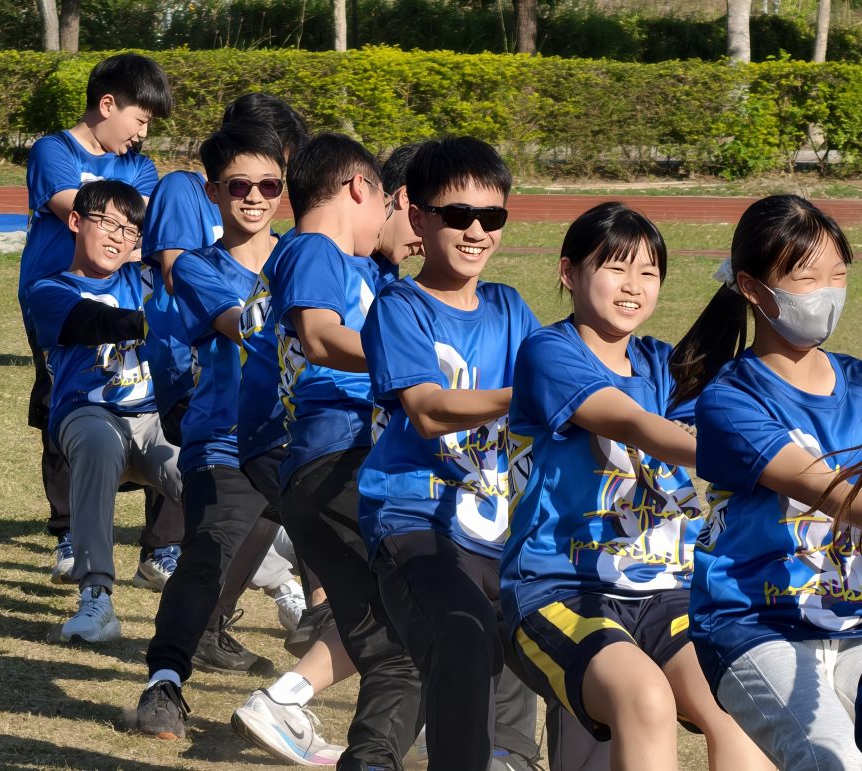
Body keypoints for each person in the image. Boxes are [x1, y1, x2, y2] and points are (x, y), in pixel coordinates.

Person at [500, 202, 770, 771]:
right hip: (560, 588)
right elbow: (631, 423)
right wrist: (754, 459)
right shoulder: (548, 352)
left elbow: (738, 408)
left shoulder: (661, 365)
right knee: (645, 697)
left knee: (742, 696)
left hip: (669, 590)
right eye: (616, 268)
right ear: (569, 272)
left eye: (648, 272)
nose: (633, 286)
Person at [230, 142, 424, 768]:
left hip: (329, 459)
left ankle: (293, 704)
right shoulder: (315, 248)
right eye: (392, 205)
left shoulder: (352, 265)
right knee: (415, 616)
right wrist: (425, 367)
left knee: (394, 631)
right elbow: (317, 337)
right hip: (336, 457)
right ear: (362, 189)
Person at [357, 136, 542, 771]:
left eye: (491, 216)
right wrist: (528, 395)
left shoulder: (511, 307)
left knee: (543, 639)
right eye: (458, 214)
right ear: (418, 216)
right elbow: (429, 410)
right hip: (415, 520)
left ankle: (511, 759)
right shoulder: (398, 307)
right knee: (463, 639)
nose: (476, 231)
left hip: (500, 528)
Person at [674, 194, 862, 769]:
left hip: (852, 621)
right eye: (807, 278)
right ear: (752, 288)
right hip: (755, 625)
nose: (827, 292)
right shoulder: (730, 400)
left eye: (838, 275)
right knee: (832, 759)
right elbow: (834, 494)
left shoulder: (858, 381)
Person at [141, 93, 311, 668]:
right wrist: (312, 322)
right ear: (213, 192)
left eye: (269, 186)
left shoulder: (300, 255)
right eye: (239, 186)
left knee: (321, 524)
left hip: (290, 435)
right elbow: (239, 324)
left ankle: (236, 631)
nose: (255, 197)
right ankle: (165, 676)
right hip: (224, 436)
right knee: (209, 552)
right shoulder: (196, 265)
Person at [17, 53, 180, 588]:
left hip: (129, 296)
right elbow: (81, 209)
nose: (142, 133)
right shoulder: (54, 150)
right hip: (61, 299)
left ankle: (162, 547)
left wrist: (128, 238)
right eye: (140, 119)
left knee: (159, 400)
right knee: (63, 402)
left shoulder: (140, 166)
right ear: (107, 104)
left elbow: (146, 228)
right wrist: (123, 231)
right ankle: (69, 534)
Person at [27, 179, 183, 644]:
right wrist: (151, 323)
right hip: (87, 413)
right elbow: (91, 321)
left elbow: (185, 252)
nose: (118, 236)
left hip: (150, 418)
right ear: (76, 221)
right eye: (107, 223)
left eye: (130, 230)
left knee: (203, 471)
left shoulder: (145, 277)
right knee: (97, 443)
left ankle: (278, 578)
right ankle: (96, 595)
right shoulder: (49, 288)